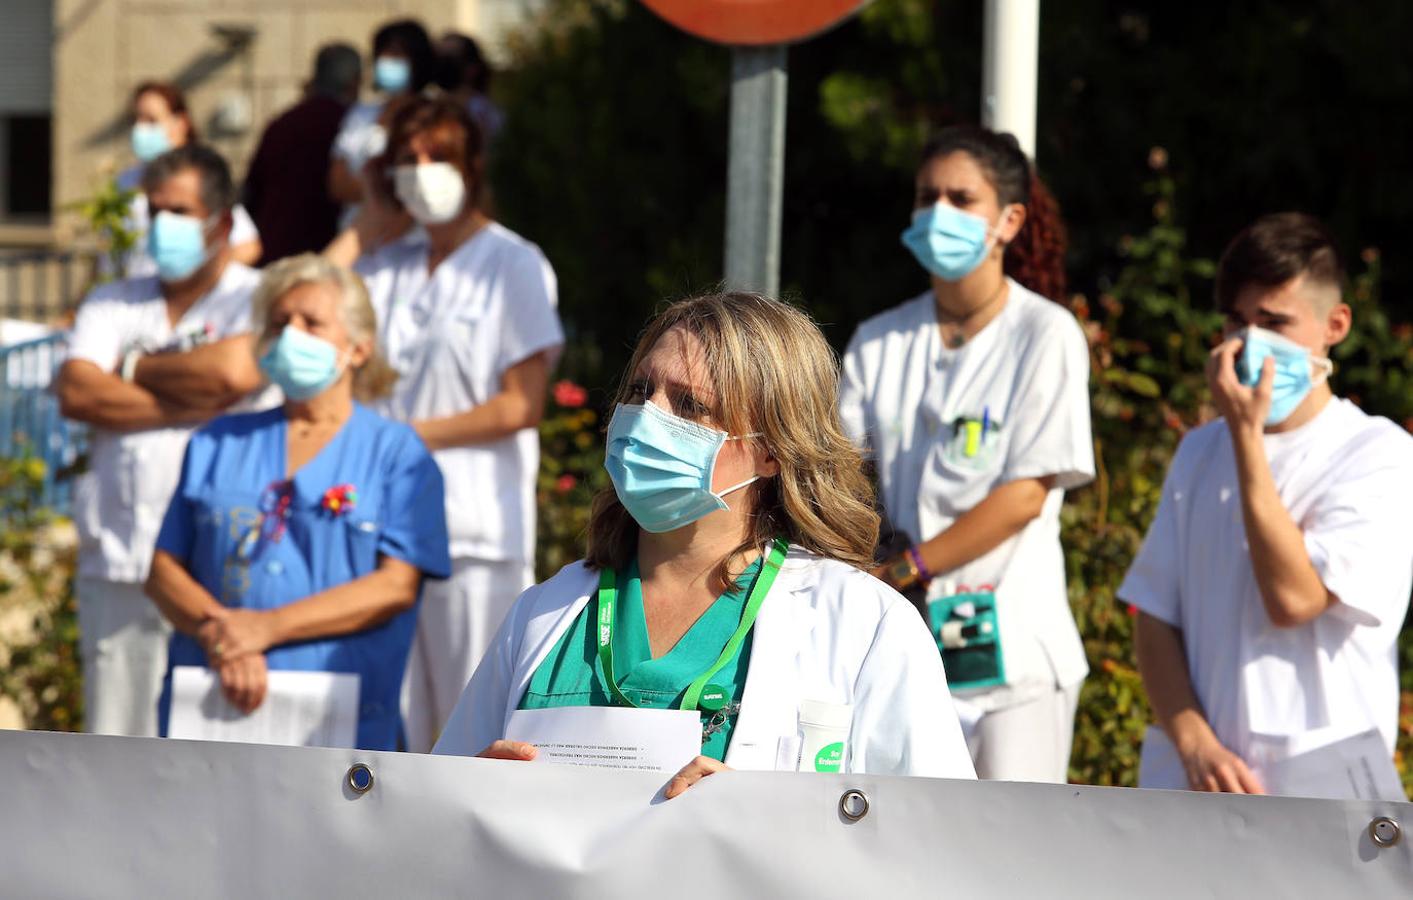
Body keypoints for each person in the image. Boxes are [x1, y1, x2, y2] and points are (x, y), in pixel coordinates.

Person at [432, 293, 976, 791]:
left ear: (771, 450)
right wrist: (474, 795)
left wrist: (753, 825)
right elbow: (432, 817)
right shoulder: (543, 613)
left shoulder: (866, 625)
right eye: (641, 391)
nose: (647, 417)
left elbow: (933, 842)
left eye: (690, 406)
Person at [1121, 213, 1413, 795]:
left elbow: (1294, 598)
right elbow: (1154, 615)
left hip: (1327, 791)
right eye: (1237, 321)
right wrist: (1193, 738)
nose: (1249, 343)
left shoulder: (1380, 454)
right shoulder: (1201, 450)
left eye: (1275, 323)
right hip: (1203, 788)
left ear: (1335, 325)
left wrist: (1247, 438)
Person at [838, 125, 1094, 783]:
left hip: (1013, 654)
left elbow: (1025, 495)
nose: (937, 213)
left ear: (1008, 220)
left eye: (960, 197)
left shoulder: (1044, 333)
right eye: (926, 197)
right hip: (903, 644)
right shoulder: (877, 340)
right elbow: (841, 473)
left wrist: (908, 569)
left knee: (1012, 863)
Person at [326, 95, 563, 752]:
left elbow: (520, 404)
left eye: (438, 157)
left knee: (469, 729)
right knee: (384, 728)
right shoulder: (382, 264)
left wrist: (401, 440)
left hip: (473, 535)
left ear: (473, 165)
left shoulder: (513, 264)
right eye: (407, 160)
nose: (423, 170)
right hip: (379, 531)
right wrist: (366, 221)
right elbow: (306, 302)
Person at [146, 254, 452, 751]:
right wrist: (224, 638)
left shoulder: (396, 453)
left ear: (358, 348)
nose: (292, 334)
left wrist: (263, 630)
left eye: (311, 322)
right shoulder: (217, 441)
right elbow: (163, 572)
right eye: (280, 322)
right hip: (212, 705)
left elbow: (395, 586)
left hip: (339, 720)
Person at [56, 144, 271, 737]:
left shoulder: (259, 297)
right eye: (155, 212)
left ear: (222, 222)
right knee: (117, 742)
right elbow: (77, 392)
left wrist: (131, 367)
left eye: (178, 211)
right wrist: (193, 393)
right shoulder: (112, 299)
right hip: (122, 560)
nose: (162, 226)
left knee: (218, 743)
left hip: (223, 574)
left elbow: (233, 374)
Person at [114, 82, 262, 276]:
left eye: (151, 120)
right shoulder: (124, 181)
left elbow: (247, 246)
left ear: (181, 123)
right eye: (136, 119)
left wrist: (195, 281)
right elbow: (108, 254)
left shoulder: (198, 175)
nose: (140, 129)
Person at [243, 44, 362, 265]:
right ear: (355, 82)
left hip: (276, 251)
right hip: (332, 254)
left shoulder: (281, 124)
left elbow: (252, 192)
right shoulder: (355, 127)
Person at [328, 19, 437, 217]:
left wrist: (373, 188)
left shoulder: (436, 115)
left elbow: (421, 186)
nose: (386, 61)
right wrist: (385, 189)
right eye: (381, 54)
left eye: (396, 54)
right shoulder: (361, 113)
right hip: (358, 234)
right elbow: (338, 184)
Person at [434, 32, 503, 148]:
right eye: (439, 57)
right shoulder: (427, 109)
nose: (443, 64)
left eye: (451, 58)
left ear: (472, 68)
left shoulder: (485, 114)